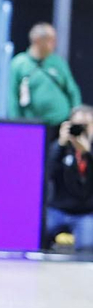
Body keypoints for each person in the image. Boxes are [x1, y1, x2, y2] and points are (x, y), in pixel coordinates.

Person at [8, 23, 81, 125]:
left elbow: (72, 89)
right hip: (34, 124)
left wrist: (76, 111)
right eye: (50, 40)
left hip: (61, 121)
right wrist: (16, 122)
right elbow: (12, 95)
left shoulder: (57, 61)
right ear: (37, 40)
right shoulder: (19, 63)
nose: (55, 44)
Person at [45, 106, 93, 250]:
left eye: (86, 125)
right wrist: (60, 144)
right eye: (77, 125)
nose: (81, 130)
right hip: (57, 210)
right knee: (36, 236)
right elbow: (48, 173)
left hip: (86, 213)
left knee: (87, 246)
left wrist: (88, 153)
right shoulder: (61, 148)